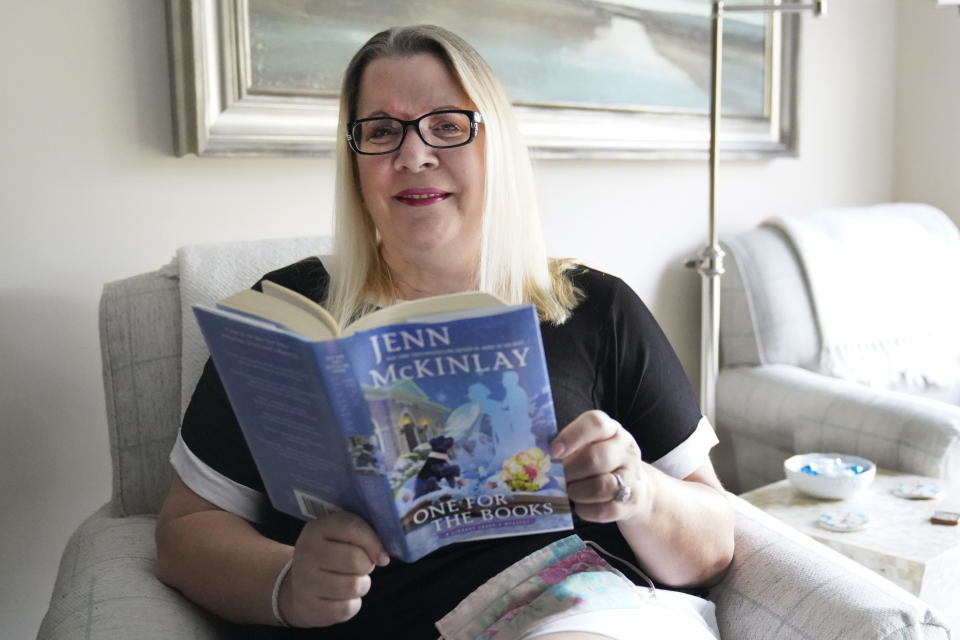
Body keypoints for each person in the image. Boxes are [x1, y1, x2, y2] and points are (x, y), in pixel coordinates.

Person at [155, 24, 735, 640]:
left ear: (496, 145)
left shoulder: (596, 308)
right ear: (355, 162)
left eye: (448, 125)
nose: (413, 155)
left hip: (582, 613)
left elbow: (715, 544)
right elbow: (182, 533)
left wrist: (639, 490)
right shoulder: (286, 314)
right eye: (381, 131)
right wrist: (287, 582)